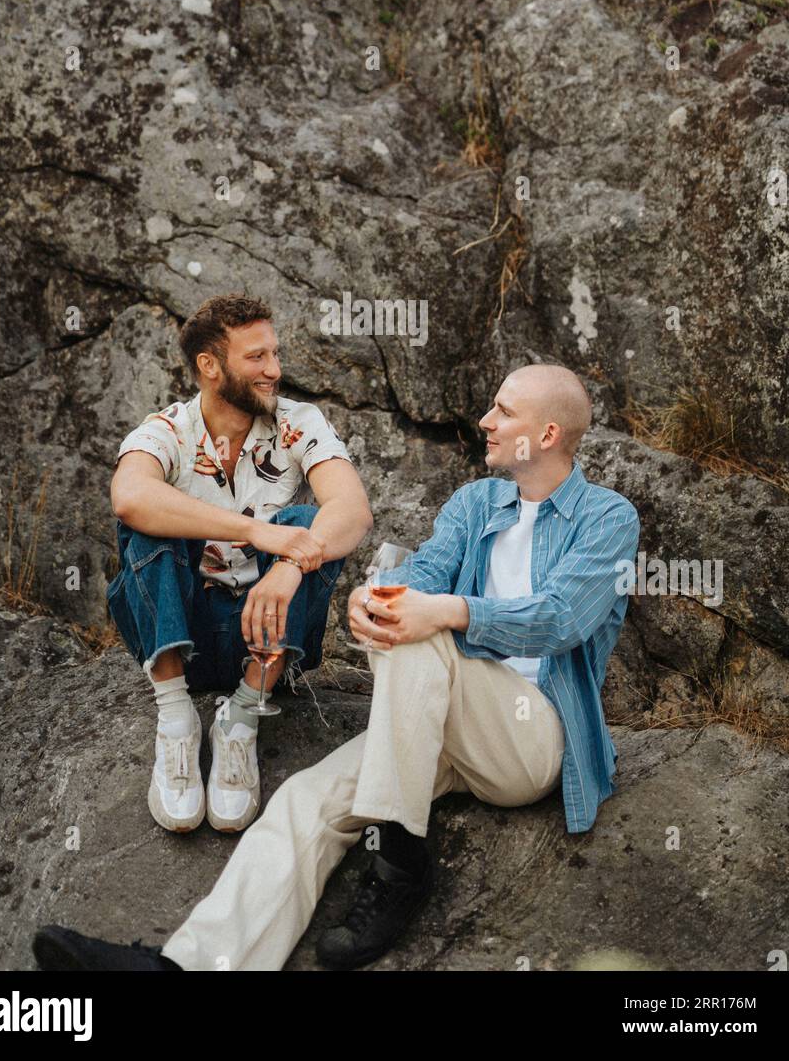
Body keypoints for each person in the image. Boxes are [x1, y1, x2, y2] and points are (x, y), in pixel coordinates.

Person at [33, 363, 639, 972]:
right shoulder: (477, 502)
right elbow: (420, 576)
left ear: (549, 433)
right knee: (305, 800)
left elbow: (562, 618)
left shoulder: (608, 518)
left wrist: (441, 610)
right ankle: (187, 966)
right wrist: (377, 601)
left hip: (530, 736)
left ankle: (399, 863)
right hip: (440, 726)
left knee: (421, 634)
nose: (486, 420)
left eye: (504, 412)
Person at [90, 293, 371, 838]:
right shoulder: (166, 430)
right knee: (150, 519)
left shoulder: (298, 422)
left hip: (265, 638)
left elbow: (353, 511)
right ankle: (176, 721)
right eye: (256, 358)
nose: (274, 370)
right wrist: (253, 530)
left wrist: (288, 564)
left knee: (306, 519)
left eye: (274, 354)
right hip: (181, 635)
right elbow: (128, 497)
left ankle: (241, 719)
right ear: (210, 366)